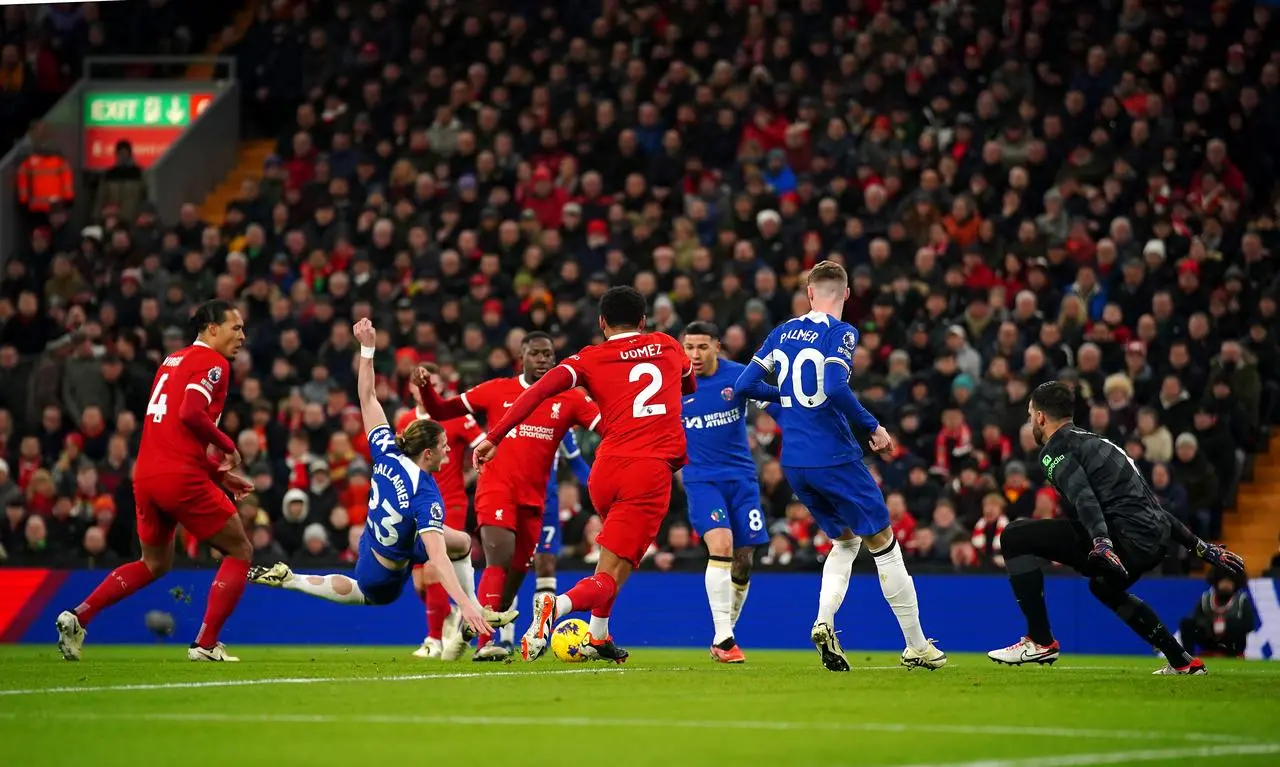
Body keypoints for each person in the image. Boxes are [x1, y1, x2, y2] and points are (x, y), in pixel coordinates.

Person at [734, 261, 947, 672]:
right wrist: (873, 425)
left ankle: (823, 621)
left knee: (846, 543)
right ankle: (917, 646)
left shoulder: (781, 332)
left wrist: (788, 397)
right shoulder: (841, 332)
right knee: (884, 544)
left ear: (809, 293)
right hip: (833, 456)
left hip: (794, 462)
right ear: (846, 294)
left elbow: (745, 387)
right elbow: (833, 385)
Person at [248, 319, 512, 642]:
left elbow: (368, 397)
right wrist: (465, 605)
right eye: (444, 449)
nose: (448, 455)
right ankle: (293, 580)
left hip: (379, 538)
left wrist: (367, 349)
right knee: (366, 592)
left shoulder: (387, 450)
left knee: (462, 542)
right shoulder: (426, 494)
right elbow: (438, 558)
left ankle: (474, 611)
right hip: (386, 570)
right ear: (427, 453)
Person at [483, 286, 694, 663]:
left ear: (601, 323)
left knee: (611, 561)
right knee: (613, 572)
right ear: (644, 321)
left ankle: (598, 636)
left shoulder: (588, 358)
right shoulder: (667, 345)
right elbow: (688, 383)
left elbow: (534, 394)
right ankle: (556, 606)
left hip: (605, 470)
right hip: (647, 471)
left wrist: (494, 437)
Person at [987, 381, 1246, 674]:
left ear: (1041, 417)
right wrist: (1200, 546)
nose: (1031, 420)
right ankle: (1183, 662)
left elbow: (1083, 497)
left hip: (1122, 540)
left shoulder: (1056, 449)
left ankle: (1039, 641)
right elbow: (1151, 508)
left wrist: (1102, 541)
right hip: (1153, 540)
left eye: (1031, 414)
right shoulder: (1099, 443)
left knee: (1014, 536)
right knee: (1103, 587)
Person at [55, 300, 256, 662]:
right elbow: (191, 413)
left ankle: (78, 616)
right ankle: (206, 644)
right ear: (212, 329)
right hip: (179, 477)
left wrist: (219, 475)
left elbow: (173, 434)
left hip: (147, 475)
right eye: (235, 328)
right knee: (240, 550)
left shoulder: (171, 361)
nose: (242, 335)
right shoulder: (214, 363)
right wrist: (229, 447)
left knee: (155, 563)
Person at [415, 331, 600, 661]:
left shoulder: (570, 399)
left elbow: (605, 425)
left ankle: (465, 632)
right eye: (536, 354)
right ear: (522, 357)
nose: (543, 360)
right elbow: (442, 410)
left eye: (548, 354)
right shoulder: (496, 390)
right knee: (498, 562)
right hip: (496, 492)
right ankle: (487, 644)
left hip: (535, 500)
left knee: (513, 577)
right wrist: (427, 388)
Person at [680, 321, 774, 662]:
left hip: (742, 479)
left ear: (717, 346)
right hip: (701, 479)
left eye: (702, 346)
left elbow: (775, 401)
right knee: (721, 545)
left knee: (744, 557)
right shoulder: (673, 385)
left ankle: (725, 630)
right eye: (689, 347)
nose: (695, 354)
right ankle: (724, 638)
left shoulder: (740, 377)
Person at [397, 364, 488, 661]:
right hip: (415, 505)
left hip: (451, 503)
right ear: (411, 388)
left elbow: (485, 451)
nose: (426, 389)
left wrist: (472, 477)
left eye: (433, 384)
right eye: (421, 384)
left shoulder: (458, 417)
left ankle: (433, 640)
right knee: (421, 582)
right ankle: (446, 615)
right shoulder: (406, 422)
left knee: (437, 568)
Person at [1179, 574, 1257, 658]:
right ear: (1216, 582)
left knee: (1234, 624)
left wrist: (1227, 624)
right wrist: (1209, 623)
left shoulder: (1241, 600)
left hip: (1231, 643)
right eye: (1223, 581)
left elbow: (1249, 625)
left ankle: (1232, 655)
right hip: (1209, 638)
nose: (1226, 585)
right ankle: (1188, 658)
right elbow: (1196, 618)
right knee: (1186, 623)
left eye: (1230, 582)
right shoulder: (1206, 598)